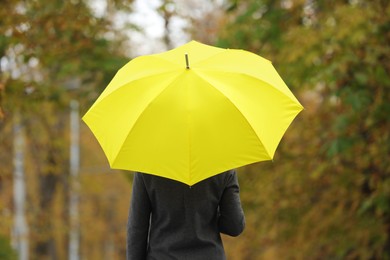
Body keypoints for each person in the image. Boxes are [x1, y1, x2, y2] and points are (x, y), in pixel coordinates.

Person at [126, 169, 245, 260]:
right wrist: (208, 216)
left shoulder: (148, 168)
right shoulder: (222, 166)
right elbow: (234, 226)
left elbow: (137, 229)